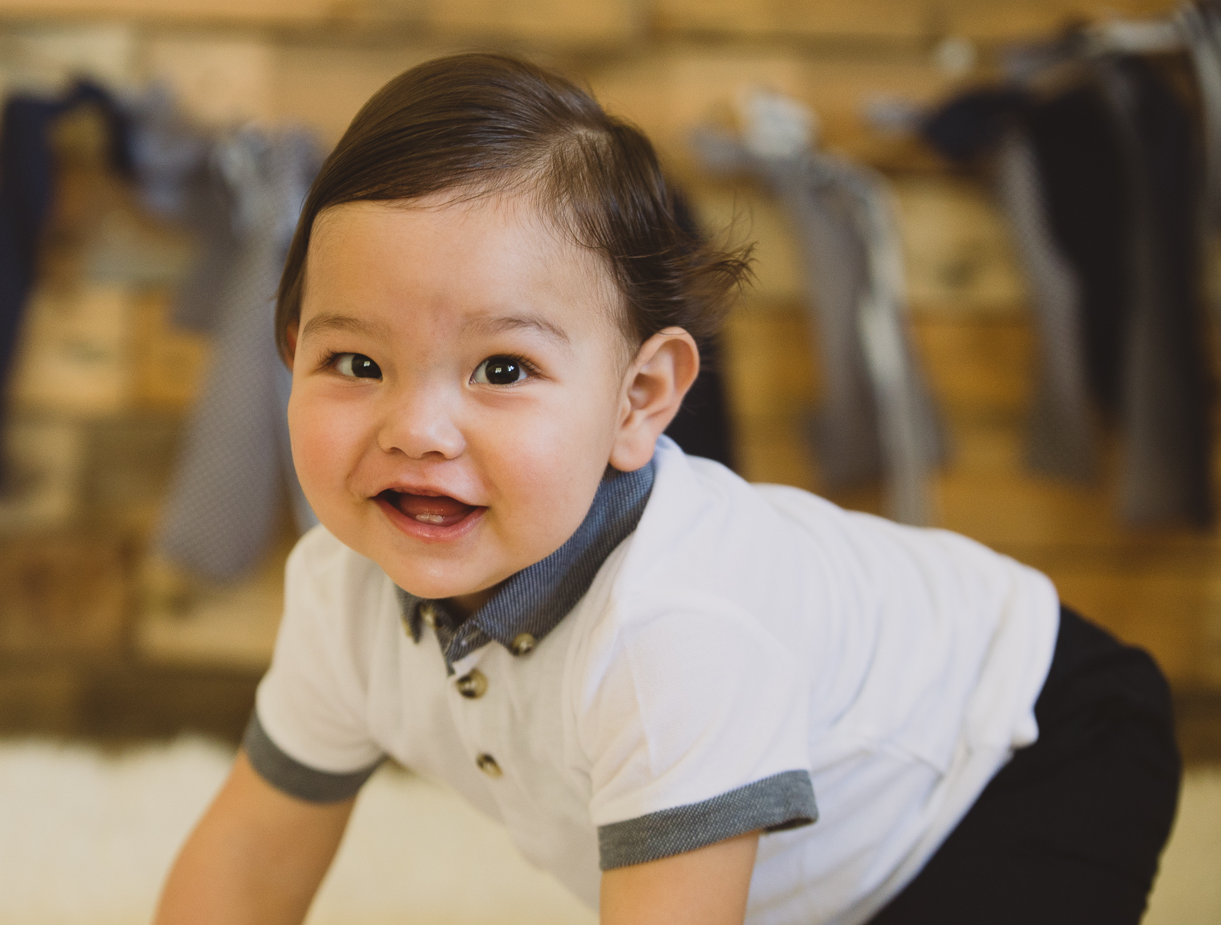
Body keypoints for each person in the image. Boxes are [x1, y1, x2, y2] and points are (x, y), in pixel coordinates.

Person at [152, 54, 1180, 925]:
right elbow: (251, 854)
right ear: (292, 355)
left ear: (638, 400)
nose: (416, 429)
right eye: (357, 363)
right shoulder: (338, 590)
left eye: (502, 368)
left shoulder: (672, 626)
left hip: (1022, 748)